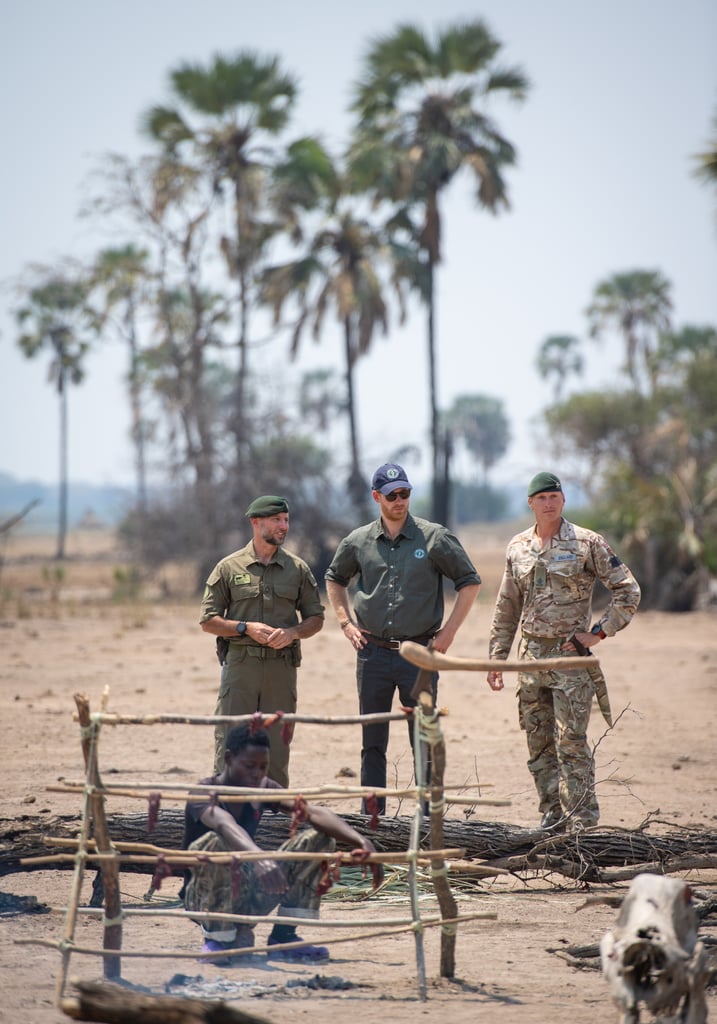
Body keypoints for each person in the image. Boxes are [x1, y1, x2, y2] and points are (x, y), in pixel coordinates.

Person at [486, 471, 641, 833]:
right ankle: (552, 819)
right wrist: (497, 658)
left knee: (570, 742)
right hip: (530, 660)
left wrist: (598, 633)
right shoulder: (518, 547)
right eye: (542, 497)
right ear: (531, 503)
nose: (549, 502)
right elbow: (506, 607)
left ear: (563, 500)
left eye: (555, 495)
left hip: (570, 658)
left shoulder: (587, 543)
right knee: (538, 743)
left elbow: (628, 591)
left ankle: (581, 825)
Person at [325, 463, 481, 814]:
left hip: (420, 654)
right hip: (372, 654)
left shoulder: (434, 537)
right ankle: (373, 822)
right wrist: (346, 624)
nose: (400, 501)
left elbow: (469, 582)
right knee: (373, 740)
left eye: (405, 494)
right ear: (376, 497)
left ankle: (427, 822)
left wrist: (448, 633)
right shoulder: (358, 541)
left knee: (422, 737)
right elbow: (334, 579)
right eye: (392, 495)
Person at [183, 724, 382, 965]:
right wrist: (259, 858)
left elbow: (312, 812)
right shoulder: (204, 793)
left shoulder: (263, 787)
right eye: (249, 766)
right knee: (215, 842)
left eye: (263, 767)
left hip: (249, 889)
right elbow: (225, 825)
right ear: (228, 758)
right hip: (203, 898)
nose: (257, 774)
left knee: (319, 838)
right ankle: (219, 940)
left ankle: (284, 939)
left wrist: (361, 840)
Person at [200, 495, 324, 784]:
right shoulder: (229, 568)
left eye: (286, 520)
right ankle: (226, 810)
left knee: (277, 746)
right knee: (230, 740)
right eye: (276, 520)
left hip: (281, 670)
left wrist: (293, 633)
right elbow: (208, 620)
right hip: (241, 668)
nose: (284, 526)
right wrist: (245, 628)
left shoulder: (297, 569)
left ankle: (276, 818)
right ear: (256, 522)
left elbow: (316, 618)